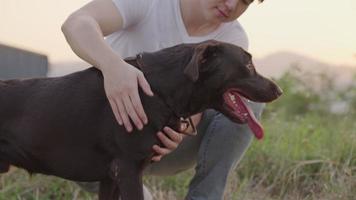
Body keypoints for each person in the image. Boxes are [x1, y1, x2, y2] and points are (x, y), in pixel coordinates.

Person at [61, 0, 265, 199]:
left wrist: (181, 128)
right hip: (104, 144)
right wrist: (113, 68)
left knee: (245, 100)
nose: (231, 5)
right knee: (71, 142)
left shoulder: (233, 39)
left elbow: (200, 104)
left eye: (244, 2)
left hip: (163, 147)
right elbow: (77, 23)